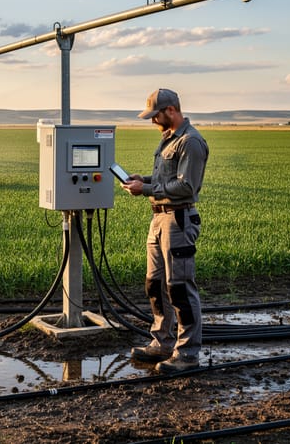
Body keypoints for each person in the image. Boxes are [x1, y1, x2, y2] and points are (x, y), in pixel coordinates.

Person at [121, 88, 209, 373]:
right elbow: (165, 179)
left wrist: (145, 188)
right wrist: (142, 179)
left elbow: (186, 187)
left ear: (171, 110)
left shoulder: (191, 142)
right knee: (155, 285)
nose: (152, 121)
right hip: (159, 219)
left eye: (154, 115)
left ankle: (187, 354)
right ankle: (162, 342)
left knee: (180, 289)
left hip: (178, 220)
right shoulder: (168, 140)